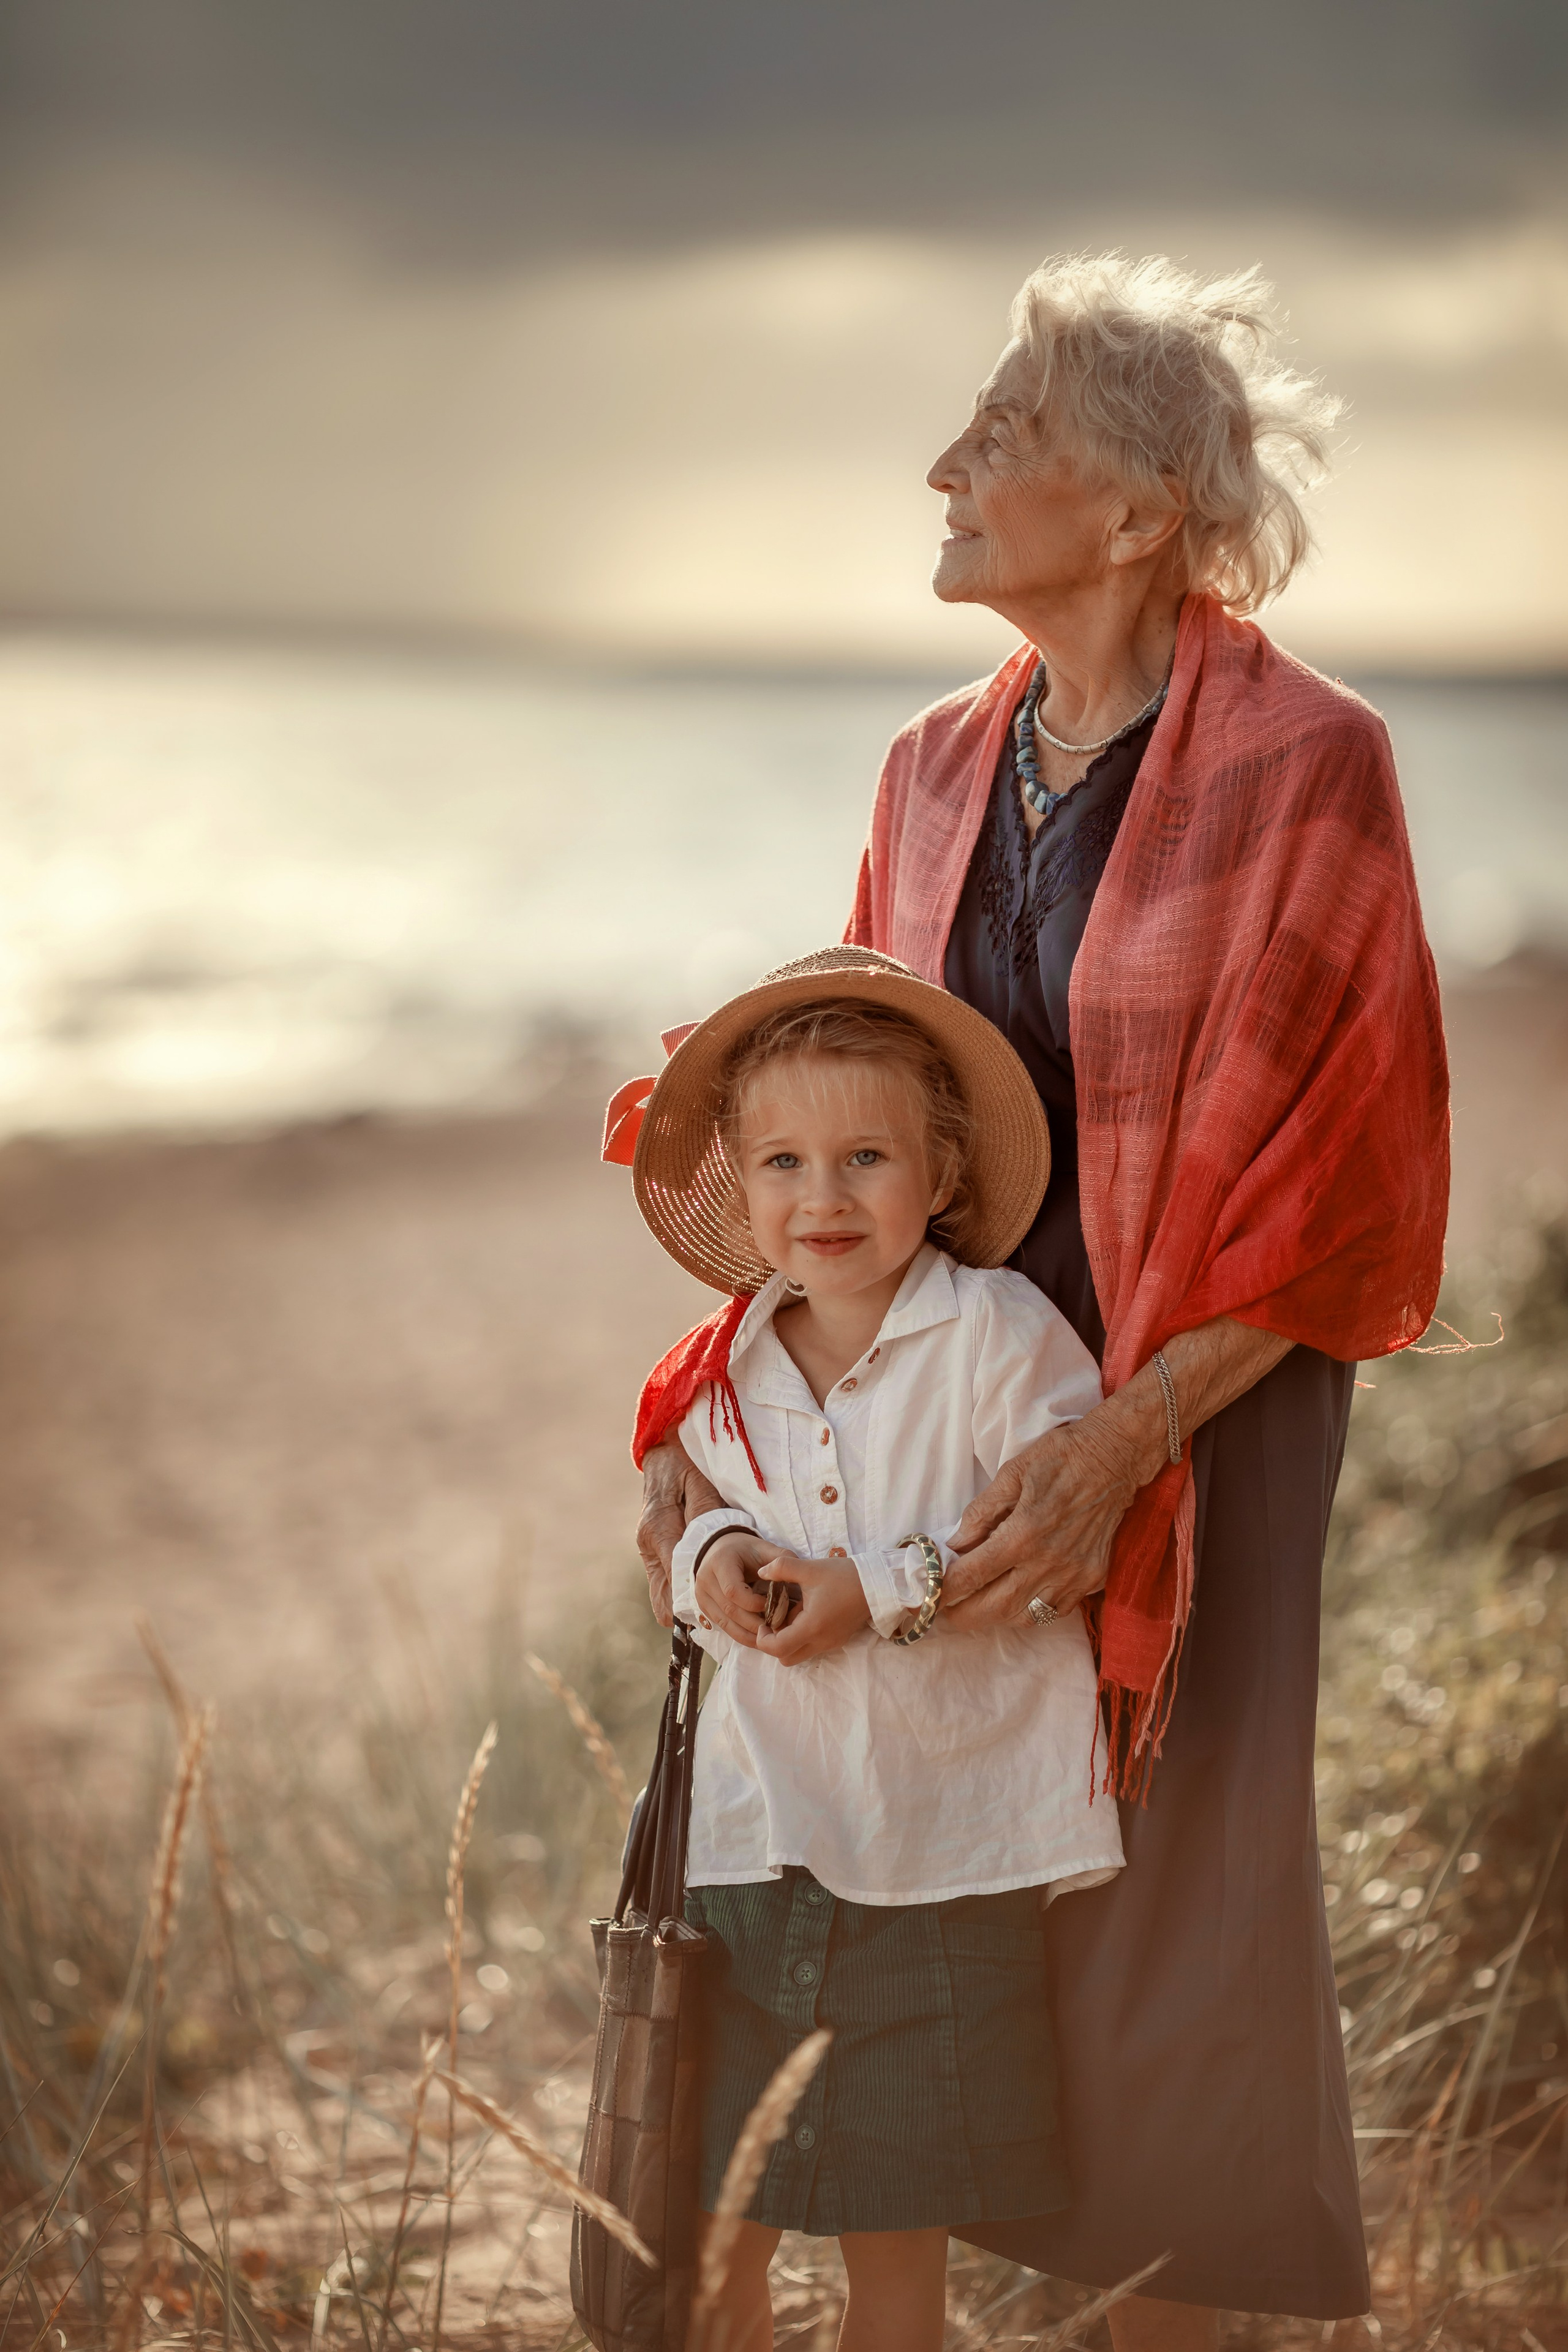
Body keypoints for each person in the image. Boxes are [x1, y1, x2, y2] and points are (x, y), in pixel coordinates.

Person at [635, 254, 1450, 2345]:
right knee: (948, 1858)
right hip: (954, 1410)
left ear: (1142, 509)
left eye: (1002, 433)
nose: (947, 467)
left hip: (1200, 1406)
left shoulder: (1308, 764)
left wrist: (1126, 1437)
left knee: (1178, 1909)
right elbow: (848, 1087)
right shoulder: (926, 767)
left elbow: (1354, 1176)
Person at [608, 951, 1123, 2352]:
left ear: (939, 1175)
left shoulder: (997, 1337)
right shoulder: (718, 1366)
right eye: (781, 1161)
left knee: (895, 2245)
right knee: (723, 2223)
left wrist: (877, 1588)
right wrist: (711, 1562)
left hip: (935, 1845)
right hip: (755, 1841)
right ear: (738, 1184)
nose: (821, 1198)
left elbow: (1050, 1551)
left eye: (864, 1158)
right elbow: (678, 1533)